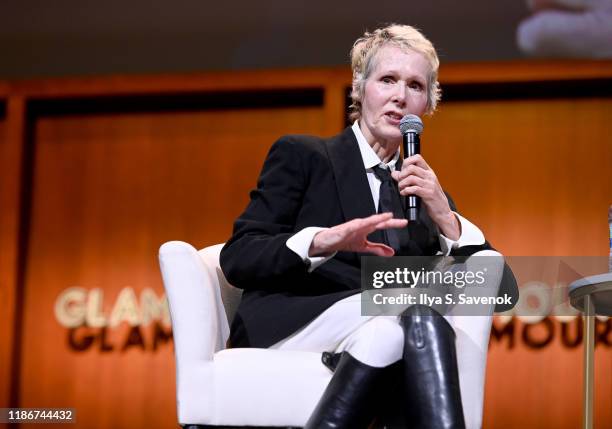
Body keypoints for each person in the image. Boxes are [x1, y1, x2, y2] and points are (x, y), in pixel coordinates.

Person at [220, 24, 516, 429]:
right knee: (409, 314)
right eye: (388, 80)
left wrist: (445, 216)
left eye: (415, 85)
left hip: (380, 334)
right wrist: (322, 241)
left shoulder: (423, 193)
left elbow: (502, 292)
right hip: (295, 322)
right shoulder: (304, 156)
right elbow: (239, 257)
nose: (400, 96)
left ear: (428, 104)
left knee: (403, 326)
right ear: (359, 89)